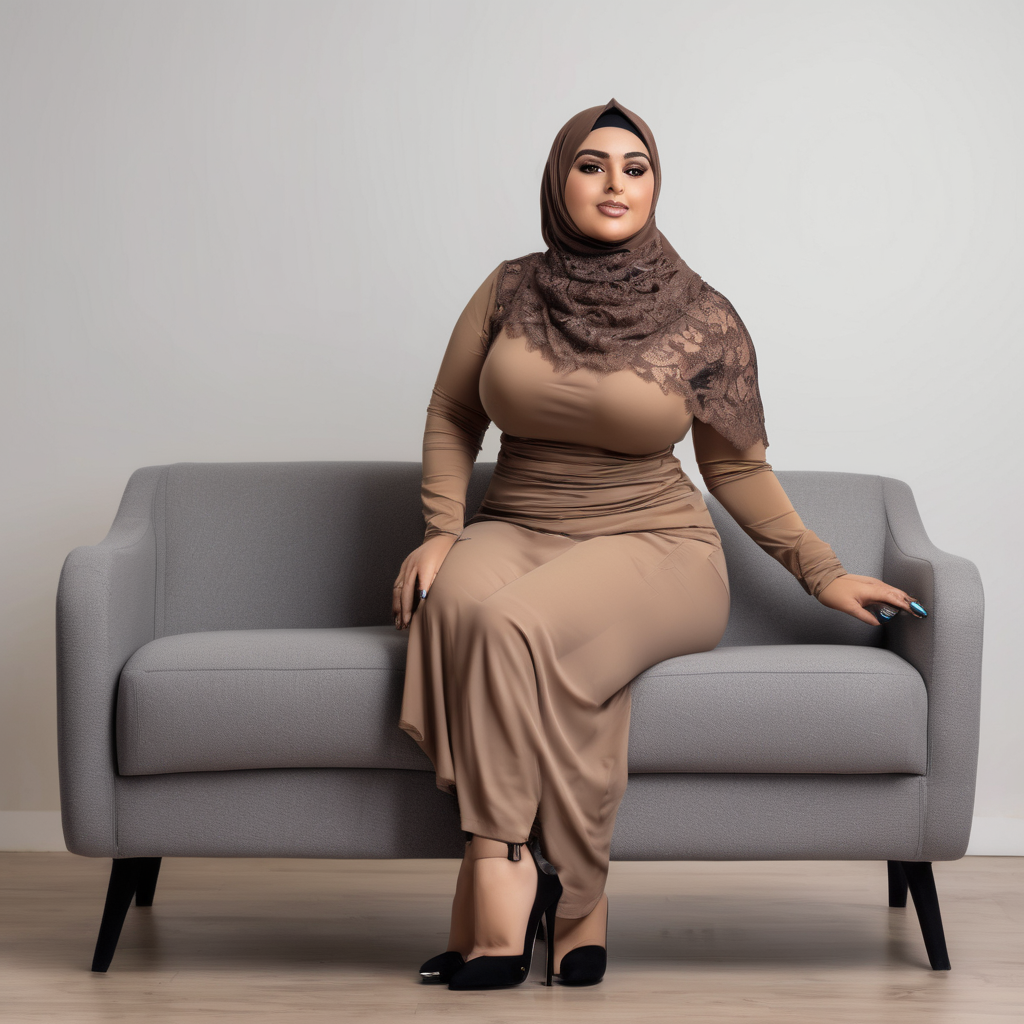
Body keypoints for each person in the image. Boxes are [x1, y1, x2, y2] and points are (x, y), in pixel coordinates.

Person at [390, 98, 926, 991]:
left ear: (656, 186)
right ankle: (578, 903)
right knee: (457, 611)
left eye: (634, 169)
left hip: (655, 543)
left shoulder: (701, 314)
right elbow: (453, 415)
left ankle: (502, 872)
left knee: (516, 626)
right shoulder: (508, 289)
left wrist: (821, 572)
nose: (614, 184)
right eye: (592, 164)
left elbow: (737, 471)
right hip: (516, 522)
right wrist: (442, 533)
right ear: (560, 179)